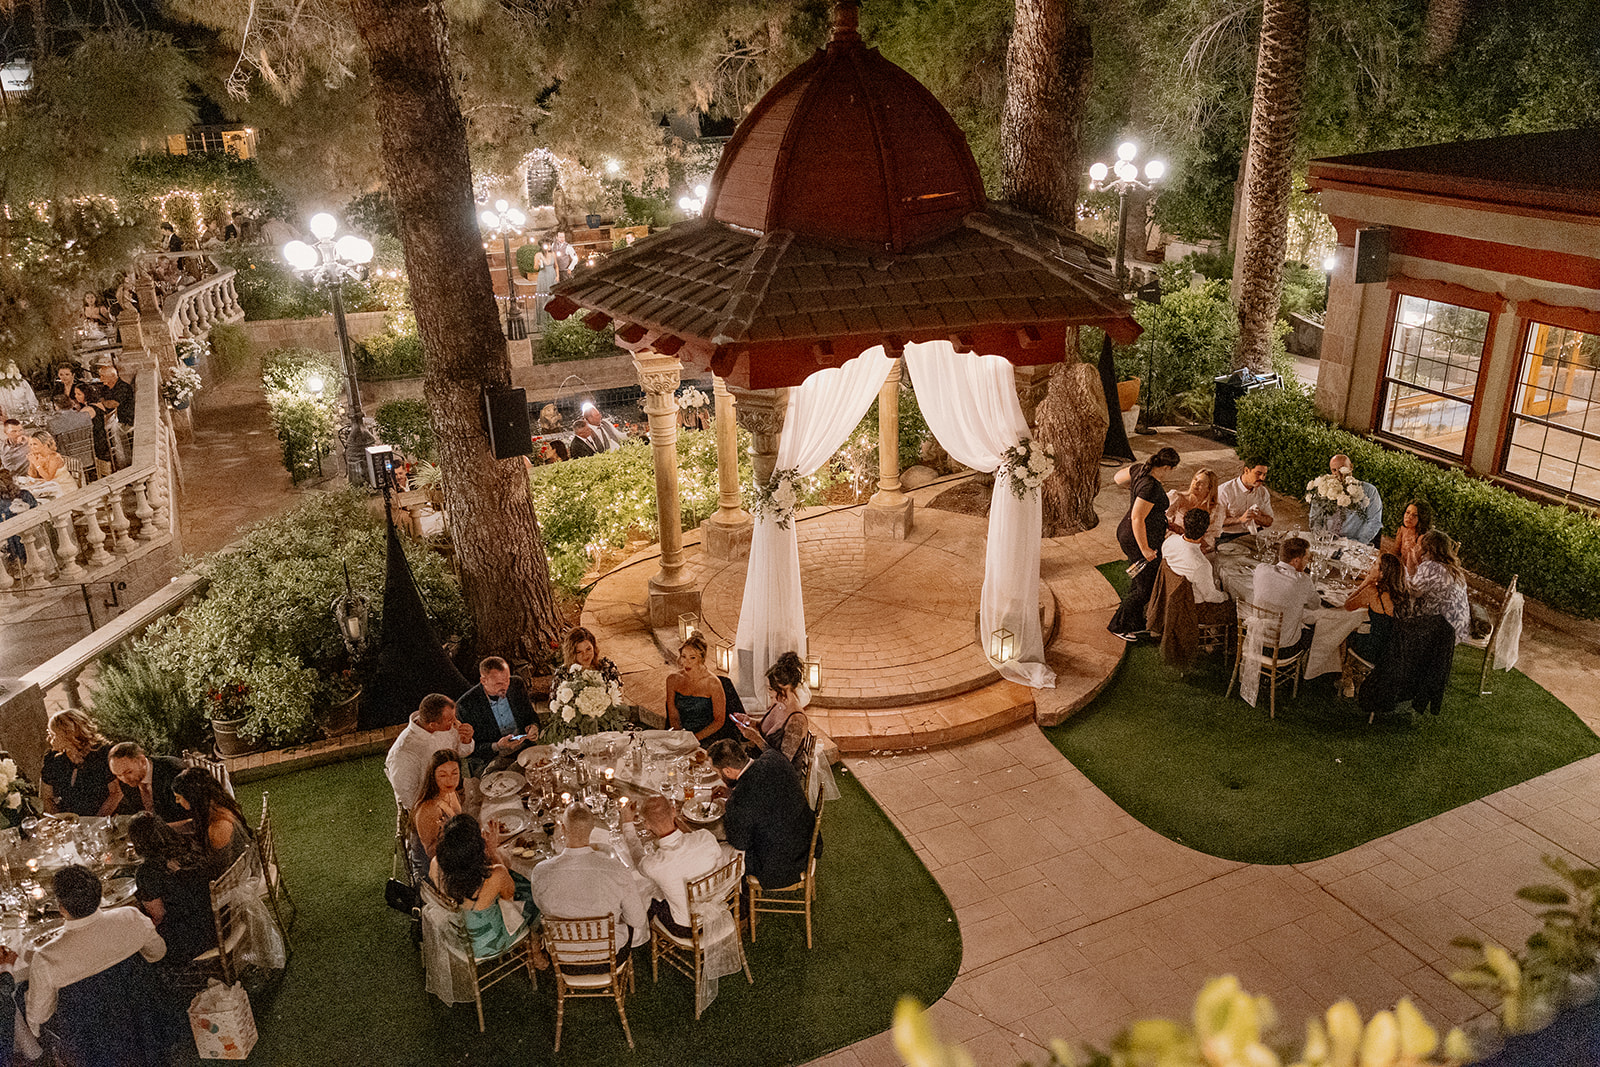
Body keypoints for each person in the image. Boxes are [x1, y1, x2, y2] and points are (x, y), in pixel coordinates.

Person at [18, 865, 168, 1043]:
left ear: (62, 908)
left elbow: (38, 1018)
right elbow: (157, 954)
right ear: (100, 894)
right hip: (145, 1025)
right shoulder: (131, 917)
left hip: (91, 1045)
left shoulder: (46, 958)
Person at [527, 804, 648, 963]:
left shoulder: (540, 871)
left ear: (562, 828)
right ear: (592, 828)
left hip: (562, 956)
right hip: (610, 956)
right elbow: (637, 921)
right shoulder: (617, 870)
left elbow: (541, 907)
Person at [709, 739, 816, 891]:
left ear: (727, 771)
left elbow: (740, 843)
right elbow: (767, 792)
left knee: (719, 850)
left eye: (717, 772)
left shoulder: (738, 801)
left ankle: (735, 896)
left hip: (781, 864)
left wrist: (731, 802)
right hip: (806, 839)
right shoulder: (774, 757)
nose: (719, 776)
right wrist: (732, 793)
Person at [431, 814, 537, 959]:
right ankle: (534, 945)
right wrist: (492, 851)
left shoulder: (435, 864)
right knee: (533, 896)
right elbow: (510, 896)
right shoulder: (495, 875)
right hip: (489, 942)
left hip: (457, 937)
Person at [1107, 446, 1181, 641]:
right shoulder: (1150, 486)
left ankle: (1133, 622)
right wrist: (1145, 549)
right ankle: (1118, 625)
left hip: (1133, 534)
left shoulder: (1140, 469)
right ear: (1166, 467)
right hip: (1138, 539)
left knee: (1140, 580)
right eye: (1172, 469)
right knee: (1144, 588)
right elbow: (1137, 518)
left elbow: (1117, 478)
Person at [128, 813, 216, 965]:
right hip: (218, 919)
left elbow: (158, 916)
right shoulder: (189, 844)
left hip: (190, 938)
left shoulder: (147, 872)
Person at [636, 795, 727, 939]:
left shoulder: (652, 865)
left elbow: (637, 860)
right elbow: (698, 848)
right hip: (721, 907)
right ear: (674, 811)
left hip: (686, 927)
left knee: (650, 898)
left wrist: (627, 825)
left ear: (646, 824)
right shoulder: (706, 837)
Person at [384, 693, 475, 812]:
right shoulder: (402, 753)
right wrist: (437, 810)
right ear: (432, 725)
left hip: (453, 792)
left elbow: (462, 752)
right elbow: (408, 798)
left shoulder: (447, 726)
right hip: (427, 807)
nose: (455, 722)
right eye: (450, 720)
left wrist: (466, 740)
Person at [454, 656, 541, 765]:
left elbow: (531, 716)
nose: (505, 686)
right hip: (493, 759)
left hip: (524, 748)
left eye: (507, 680)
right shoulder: (466, 705)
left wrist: (534, 726)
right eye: (499, 684)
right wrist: (497, 746)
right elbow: (469, 750)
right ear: (483, 681)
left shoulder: (516, 685)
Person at [732, 651, 811, 765]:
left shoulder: (796, 720)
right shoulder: (778, 704)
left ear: (783, 690)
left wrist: (755, 738)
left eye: (770, 689)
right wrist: (750, 721)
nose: (768, 692)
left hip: (778, 776)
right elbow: (767, 727)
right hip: (761, 762)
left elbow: (782, 763)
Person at [172, 768, 253, 874]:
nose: (177, 802)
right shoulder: (215, 806)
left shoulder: (219, 825)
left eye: (178, 798)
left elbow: (216, 870)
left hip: (233, 877)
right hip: (235, 866)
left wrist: (178, 870)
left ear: (192, 797)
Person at [40, 711, 121, 817]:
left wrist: (95, 822)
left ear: (69, 735)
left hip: (104, 817)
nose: (49, 739)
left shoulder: (102, 754)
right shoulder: (53, 759)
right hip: (69, 821)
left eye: (53, 735)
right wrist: (60, 822)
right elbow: (46, 797)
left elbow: (116, 794)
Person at [667, 634, 741, 747]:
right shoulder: (672, 680)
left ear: (701, 659)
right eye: (683, 656)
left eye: (692, 658)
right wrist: (679, 736)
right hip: (681, 733)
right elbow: (672, 713)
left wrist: (694, 739)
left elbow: (719, 721)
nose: (686, 662)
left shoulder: (713, 684)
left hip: (706, 735)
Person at [1250, 535, 1321, 654]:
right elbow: (1315, 605)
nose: (1307, 562)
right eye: (1307, 558)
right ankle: (1309, 670)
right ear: (1296, 560)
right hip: (1283, 649)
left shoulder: (1261, 569)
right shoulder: (1302, 581)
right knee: (1316, 629)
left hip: (1256, 640)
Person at [1344, 552, 1411, 665]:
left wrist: (1366, 582)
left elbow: (1348, 605)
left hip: (1375, 651)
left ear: (1382, 573)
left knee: (1344, 634)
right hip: (1395, 651)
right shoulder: (1404, 594)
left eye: (1375, 564)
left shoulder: (1373, 591)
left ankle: (1342, 674)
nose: (1372, 566)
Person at [1409, 529, 1471, 644]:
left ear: (1427, 548)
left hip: (1440, 632)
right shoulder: (1454, 569)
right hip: (1458, 628)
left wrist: (1411, 561)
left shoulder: (1431, 567)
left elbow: (1411, 592)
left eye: (1418, 545)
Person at [1162, 509, 1230, 611]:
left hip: (1170, 597)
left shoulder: (1169, 541)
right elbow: (1210, 597)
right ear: (1206, 531)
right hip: (1193, 608)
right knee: (1233, 607)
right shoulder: (1201, 564)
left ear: (1184, 526)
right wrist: (1226, 596)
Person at [108, 742, 188, 825]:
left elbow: (192, 819)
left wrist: (160, 831)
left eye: (129, 772)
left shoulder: (173, 771)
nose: (124, 780)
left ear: (142, 761)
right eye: (118, 775)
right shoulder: (125, 781)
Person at [1312, 454, 1383, 546]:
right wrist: (1321, 537)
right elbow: (1315, 518)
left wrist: (1358, 544)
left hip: (1353, 544)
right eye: (1334, 470)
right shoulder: (1324, 488)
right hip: (1327, 541)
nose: (1338, 474)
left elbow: (1374, 521)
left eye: (1342, 469)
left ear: (1351, 467)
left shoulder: (1369, 491)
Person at [411, 751, 466, 860]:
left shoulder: (449, 791)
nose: (450, 780)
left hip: (455, 847)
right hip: (438, 862)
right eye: (442, 775)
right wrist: (448, 833)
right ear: (433, 776)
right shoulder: (428, 809)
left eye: (455, 773)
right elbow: (431, 853)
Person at [1216, 458, 1275, 542]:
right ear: (1246, 470)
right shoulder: (1225, 491)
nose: (1262, 478)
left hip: (1256, 534)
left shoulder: (1263, 492)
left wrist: (1259, 518)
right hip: (1230, 536)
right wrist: (1239, 520)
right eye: (1258, 473)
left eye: (1264, 474)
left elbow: (1269, 521)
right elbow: (1215, 522)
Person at [1165, 467, 1223, 550]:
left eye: (1201, 483)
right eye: (1195, 479)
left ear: (1209, 488)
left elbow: (1208, 542)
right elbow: (1161, 523)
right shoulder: (1176, 497)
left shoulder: (1216, 510)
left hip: (1198, 548)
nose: (1196, 484)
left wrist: (1181, 531)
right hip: (1170, 544)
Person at [1392, 499, 1432, 575]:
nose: (1409, 517)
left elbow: (1418, 568)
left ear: (1421, 518)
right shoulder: (1402, 529)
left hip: (1415, 576)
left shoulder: (1422, 538)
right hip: (1401, 571)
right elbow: (1395, 553)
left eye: (1414, 515)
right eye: (1407, 512)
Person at [95, 361, 135, 428]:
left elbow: (113, 404)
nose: (101, 379)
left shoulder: (123, 387)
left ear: (112, 376)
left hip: (126, 423)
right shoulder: (106, 387)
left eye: (103, 376)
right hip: (113, 420)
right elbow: (101, 398)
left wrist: (101, 403)